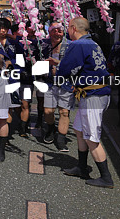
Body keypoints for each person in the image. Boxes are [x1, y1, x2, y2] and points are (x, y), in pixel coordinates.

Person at [58, 17, 113, 188]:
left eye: (68, 28)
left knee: (92, 138)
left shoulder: (78, 45)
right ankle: (82, 167)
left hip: (93, 96)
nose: (68, 31)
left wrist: (55, 70)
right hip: (94, 93)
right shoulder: (93, 43)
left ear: (73, 28)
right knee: (79, 129)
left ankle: (106, 177)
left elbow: (65, 69)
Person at [0, 17, 22, 162]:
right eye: (0, 27)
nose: (2, 31)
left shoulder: (14, 43)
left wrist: (11, 63)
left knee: (5, 111)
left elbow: (21, 60)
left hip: (8, 77)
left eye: (5, 28)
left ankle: (1, 145)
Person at [40, 20, 73, 152]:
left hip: (66, 82)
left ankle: (61, 138)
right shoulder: (43, 45)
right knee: (48, 111)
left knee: (64, 112)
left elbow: (74, 65)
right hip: (48, 82)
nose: (57, 33)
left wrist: (57, 63)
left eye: (59, 30)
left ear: (64, 31)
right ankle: (51, 127)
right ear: (49, 31)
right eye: (54, 30)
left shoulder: (70, 45)